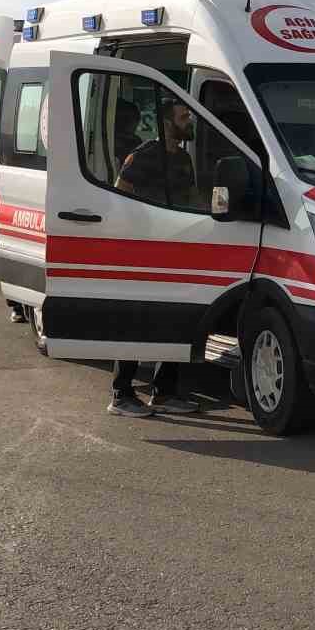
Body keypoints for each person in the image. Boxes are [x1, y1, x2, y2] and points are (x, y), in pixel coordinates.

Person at [106, 99, 201, 417]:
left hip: (175, 249)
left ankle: (164, 393)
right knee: (137, 320)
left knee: (174, 319)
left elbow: (188, 200)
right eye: (183, 116)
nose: (188, 121)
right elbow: (120, 193)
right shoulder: (145, 155)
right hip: (143, 250)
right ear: (166, 123)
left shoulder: (185, 159)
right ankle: (121, 395)